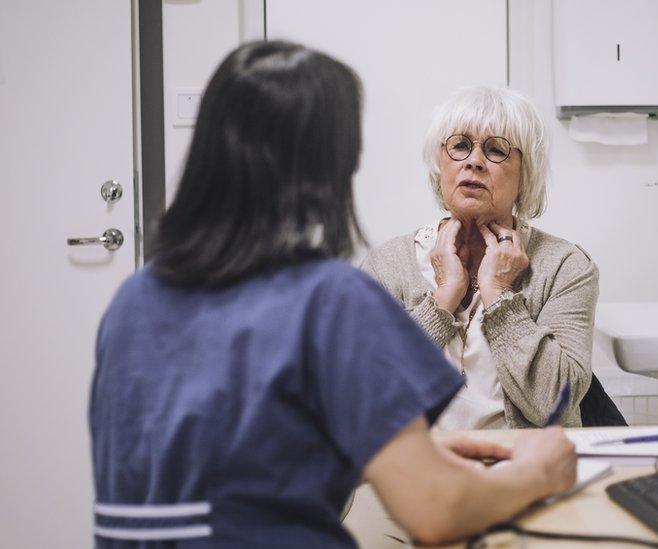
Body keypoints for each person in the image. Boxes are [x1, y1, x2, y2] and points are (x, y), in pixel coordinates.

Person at [88, 41, 576, 548]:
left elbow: (243, 469)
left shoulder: (134, 300)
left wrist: (417, 453)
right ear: (330, 166)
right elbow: (436, 511)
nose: (474, 162)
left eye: (496, 150)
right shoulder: (330, 299)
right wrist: (543, 471)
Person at [363, 86, 625, 429]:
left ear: (524, 175)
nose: (473, 161)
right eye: (459, 146)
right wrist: (442, 298)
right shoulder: (387, 265)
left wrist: (499, 295)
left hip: (526, 474)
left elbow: (555, 406)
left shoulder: (565, 266)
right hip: (419, 475)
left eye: (495, 150)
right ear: (440, 166)